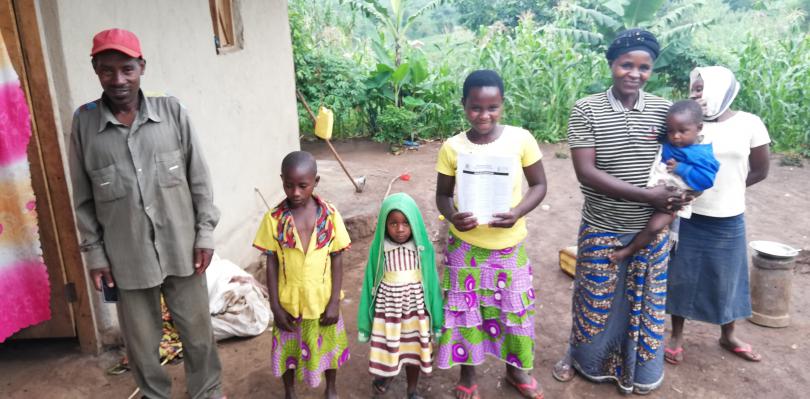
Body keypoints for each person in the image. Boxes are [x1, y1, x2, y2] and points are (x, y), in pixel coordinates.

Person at [68, 29, 225, 399]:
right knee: (141, 346)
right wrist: (94, 255)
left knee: (199, 335)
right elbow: (83, 197)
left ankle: (208, 391)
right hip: (127, 257)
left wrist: (205, 233)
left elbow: (199, 180)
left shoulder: (172, 111)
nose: (118, 80)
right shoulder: (84, 123)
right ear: (95, 70)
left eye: (127, 69)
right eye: (107, 71)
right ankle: (155, 395)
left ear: (142, 67)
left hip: (183, 248)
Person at [552, 28, 689, 394]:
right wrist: (650, 197)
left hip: (651, 229)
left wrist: (681, 192)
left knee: (643, 303)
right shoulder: (587, 109)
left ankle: (637, 370)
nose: (634, 73)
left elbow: (681, 154)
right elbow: (587, 171)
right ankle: (578, 357)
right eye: (626, 64)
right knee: (592, 299)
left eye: (644, 67)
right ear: (612, 64)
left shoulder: (662, 110)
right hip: (602, 224)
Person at [435, 69, 548, 399]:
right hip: (466, 247)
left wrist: (517, 212)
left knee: (513, 311)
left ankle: (517, 372)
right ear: (463, 105)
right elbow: (442, 195)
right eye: (475, 107)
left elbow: (539, 185)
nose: (484, 115)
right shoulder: (452, 147)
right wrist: (454, 216)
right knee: (466, 312)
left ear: (502, 105)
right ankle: (468, 375)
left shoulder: (521, 139)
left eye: (492, 107)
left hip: (508, 246)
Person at [664, 66, 770, 365]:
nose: (694, 94)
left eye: (700, 88)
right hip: (688, 214)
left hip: (728, 216)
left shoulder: (749, 124)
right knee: (682, 276)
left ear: (721, 88)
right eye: (693, 88)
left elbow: (761, 169)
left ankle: (729, 334)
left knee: (727, 278)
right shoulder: (691, 124)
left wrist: (732, 189)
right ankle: (676, 336)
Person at [252, 151, 351, 399]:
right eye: (288, 185)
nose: (295, 192)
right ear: (282, 180)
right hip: (289, 302)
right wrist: (275, 305)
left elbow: (337, 256)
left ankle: (331, 387)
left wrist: (334, 301)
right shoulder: (274, 219)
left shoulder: (329, 215)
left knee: (328, 345)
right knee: (288, 349)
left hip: (323, 298)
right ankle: (289, 391)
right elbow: (272, 262)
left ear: (315, 182)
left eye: (302, 186)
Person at [610, 99, 720, 262]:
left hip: (672, 200)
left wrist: (681, 168)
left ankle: (628, 251)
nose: (675, 136)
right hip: (650, 191)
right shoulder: (671, 144)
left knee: (654, 227)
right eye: (671, 131)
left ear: (699, 128)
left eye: (683, 131)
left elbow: (706, 180)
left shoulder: (702, 154)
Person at [357, 192, 443, 399]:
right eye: (393, 223)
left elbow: (431, 283)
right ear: (384, 225)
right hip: (389, 311)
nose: (401, 229)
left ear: (414, 222)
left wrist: (437, 319)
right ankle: (387, 376)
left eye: (406, 222)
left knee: (413, 349)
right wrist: (365, 321)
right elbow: (370, 281)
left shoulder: (422, 249)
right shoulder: (380, 249)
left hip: (415, 310)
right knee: (390, 347)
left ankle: (412, 390)